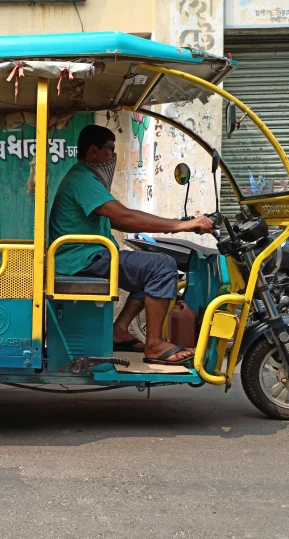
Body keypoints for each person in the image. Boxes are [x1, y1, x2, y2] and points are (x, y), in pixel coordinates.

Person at [49, 125, 213, 365]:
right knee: (162, 265)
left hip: (86, 256)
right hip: (80, 260)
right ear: (93, 151)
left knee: (148, 267)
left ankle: (120, 330)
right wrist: (180, 225)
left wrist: (180, 223)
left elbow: (117, 220)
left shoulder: (84, 178)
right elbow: (125, 217)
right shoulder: (83, 180)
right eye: (110, 150)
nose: (112, 157)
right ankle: (154, 344)